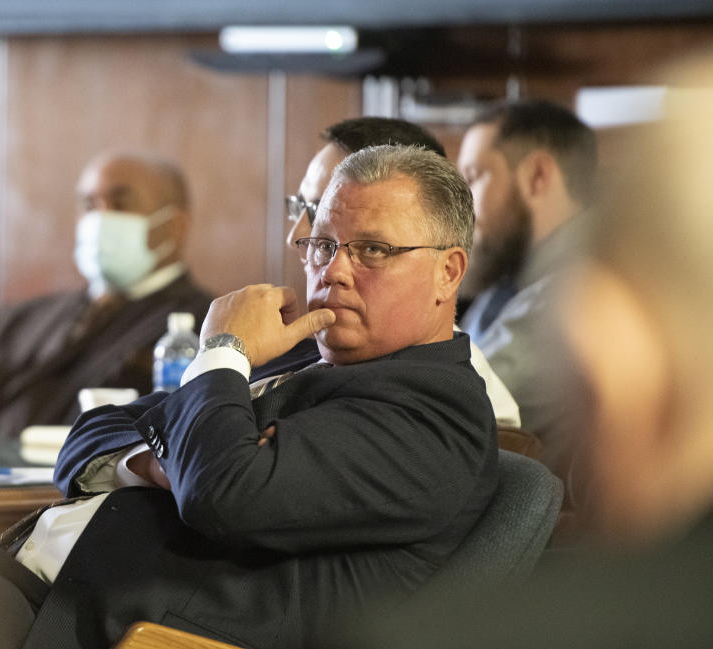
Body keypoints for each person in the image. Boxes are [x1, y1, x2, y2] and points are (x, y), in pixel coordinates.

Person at [0, 144, 497, 649]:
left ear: (447, 273)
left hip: (93, 622)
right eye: (324, 245)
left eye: (373, 250)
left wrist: (224, 349)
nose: (332, 272)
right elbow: (94, 432)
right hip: (28, 576)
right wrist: (169, 464)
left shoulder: (437, 411)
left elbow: (223, 491)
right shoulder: (298, 355)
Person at [330, 51, 713, 649]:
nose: (467, 205)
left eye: (476, 176)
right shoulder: (499, 291)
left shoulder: (568, 297)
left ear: (607, 352)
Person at [261, 116, 520, 429]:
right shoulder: (312, 344)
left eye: (372, 248)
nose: (297, 236)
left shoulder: (437, 400)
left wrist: (222, 352)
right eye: (300, 206)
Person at [0, 151, 213, 440]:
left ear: (174, 226)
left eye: (120, 204)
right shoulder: (18, 320)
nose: (100, 218)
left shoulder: (206, 326)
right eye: (89, 205)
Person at [456, 100, 597, 478]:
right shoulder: (509, 278)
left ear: (536, 175)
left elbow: (455, 406)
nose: (460, 205)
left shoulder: (580, 291)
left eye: (473, 177)